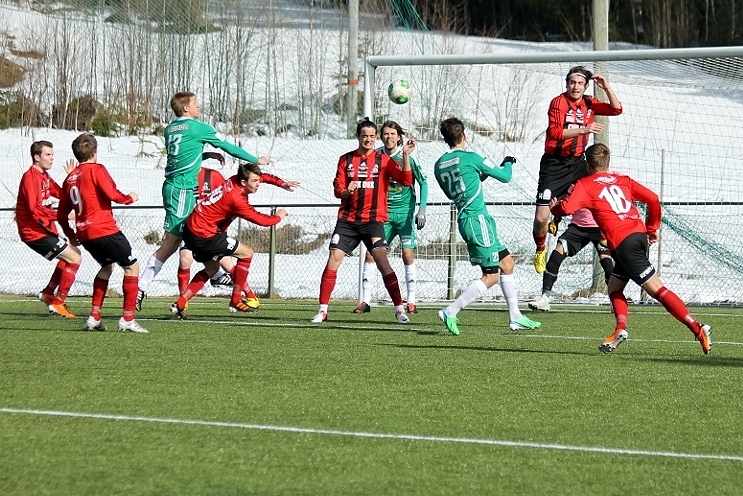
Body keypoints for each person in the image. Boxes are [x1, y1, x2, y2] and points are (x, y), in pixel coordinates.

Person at [550, 143, 712, 354]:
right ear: (607, 162)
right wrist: (652, 229)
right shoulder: (622, 180)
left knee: (657, 290)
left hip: (623, 244)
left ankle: (697, 328)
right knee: (614, 288)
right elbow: (653, 199)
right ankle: (620, 329)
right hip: (638, 236)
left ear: (587, 165)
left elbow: (567, 208)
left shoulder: (585, 184)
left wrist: (555, 208)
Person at [137, 91, 272, 310]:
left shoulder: (170, 129)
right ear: (186, 108)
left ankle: (215, 274)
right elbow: (227, 146)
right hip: (181, 190)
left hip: (178, 188)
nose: (199, 106)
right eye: (195, 103)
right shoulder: (198, 128)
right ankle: (140, 287)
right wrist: (256, 159)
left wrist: (205, 156)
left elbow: (183, 155)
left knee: (199, 234)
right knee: (171, 244)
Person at [433, 117, 541, 335]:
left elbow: (465, 184)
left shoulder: (439, 165)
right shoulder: (471, 157)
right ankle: (451, 311)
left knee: (507, 264)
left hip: (469, 219)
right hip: (477, 220)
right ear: (464, 135)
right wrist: (508, 162)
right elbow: (505, 177)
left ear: (445, 139)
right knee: (491, 275)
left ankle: (515, 317)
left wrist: (481, 173)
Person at [311, 118, 415, 324]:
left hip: (373, 221)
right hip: (348, 220)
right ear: (358, 136)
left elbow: (406, 181)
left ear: (375, 138)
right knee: (333, 258)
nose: (368, 139)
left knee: (382, 261)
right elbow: (337, 189)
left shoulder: (383, 160)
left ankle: (399, 310)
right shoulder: (345, 159)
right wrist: (345, 191)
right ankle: (323, 310)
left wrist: (405, 156)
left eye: (372, 136)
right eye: (364, 136)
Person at [170, 162, 292, 317]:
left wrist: (281, 183)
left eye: (258, 180)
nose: (258, 184)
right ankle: (235, 299)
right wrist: (279, 215)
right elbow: (263, 221)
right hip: (205, 235)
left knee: (212, 269)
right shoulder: (236, 199)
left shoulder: (235, 179)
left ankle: (181, 303)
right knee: (247, 253)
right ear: (244, 182)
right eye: (255, 181)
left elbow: (262, 177)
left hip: (192, 230)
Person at [532, 65, 622, 274]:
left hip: (578, 163)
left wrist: (606, 87)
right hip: (554, 164)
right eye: (572, 82)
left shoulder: (589, 102)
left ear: (586, 86)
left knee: (598, 191)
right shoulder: (558, 102)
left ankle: (603, 235)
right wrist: (585, 129)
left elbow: (616, 109)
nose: (576, 86)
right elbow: (554, 133)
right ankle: (541, 248)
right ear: (567, 84)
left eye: (580, 83)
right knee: (541, 218)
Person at [57, 133, 148, 333]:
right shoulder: (97, 169)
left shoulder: (70, 178)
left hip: (85, 234)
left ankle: (94, 316)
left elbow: (61, 214)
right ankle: (127, 319)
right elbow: (112, 193)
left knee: (107, 267)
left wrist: (71, 235)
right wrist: (130, 198)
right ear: (94, 152)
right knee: (132, 267)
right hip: (104, 229)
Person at [353, 120, 428, 315]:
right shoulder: (376, 156)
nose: (389, 137)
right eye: (386, 134)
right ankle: (365, 301)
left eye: (392, 134)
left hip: (404, 215)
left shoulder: (407, 158)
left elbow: (424, 182)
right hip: (383, 215)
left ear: (399, 137)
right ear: (381, 136)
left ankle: (411, 301)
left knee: (407, 254)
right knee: (371, 254)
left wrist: (422, 210)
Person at [16, 140, 81, 318]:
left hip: (43, 230)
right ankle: (58, 303)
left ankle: (48, 293)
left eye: (52, 155)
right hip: (33, 232)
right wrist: (64, 216)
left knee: (71, 256)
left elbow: (60, 193)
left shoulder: (44, 176)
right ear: (37, 157)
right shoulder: (30, 178)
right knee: (75, 258)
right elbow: (35, 210)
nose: (52, 158)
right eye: (48, 155)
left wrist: (71, 178)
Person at [528, 207, 614, 311]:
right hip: (577, 228)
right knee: (555, 256)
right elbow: (565, 203)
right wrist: (556, 220)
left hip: (600, 228)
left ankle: (615, 300)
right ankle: (544, 299)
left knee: (607, 262)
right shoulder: (571, 194)